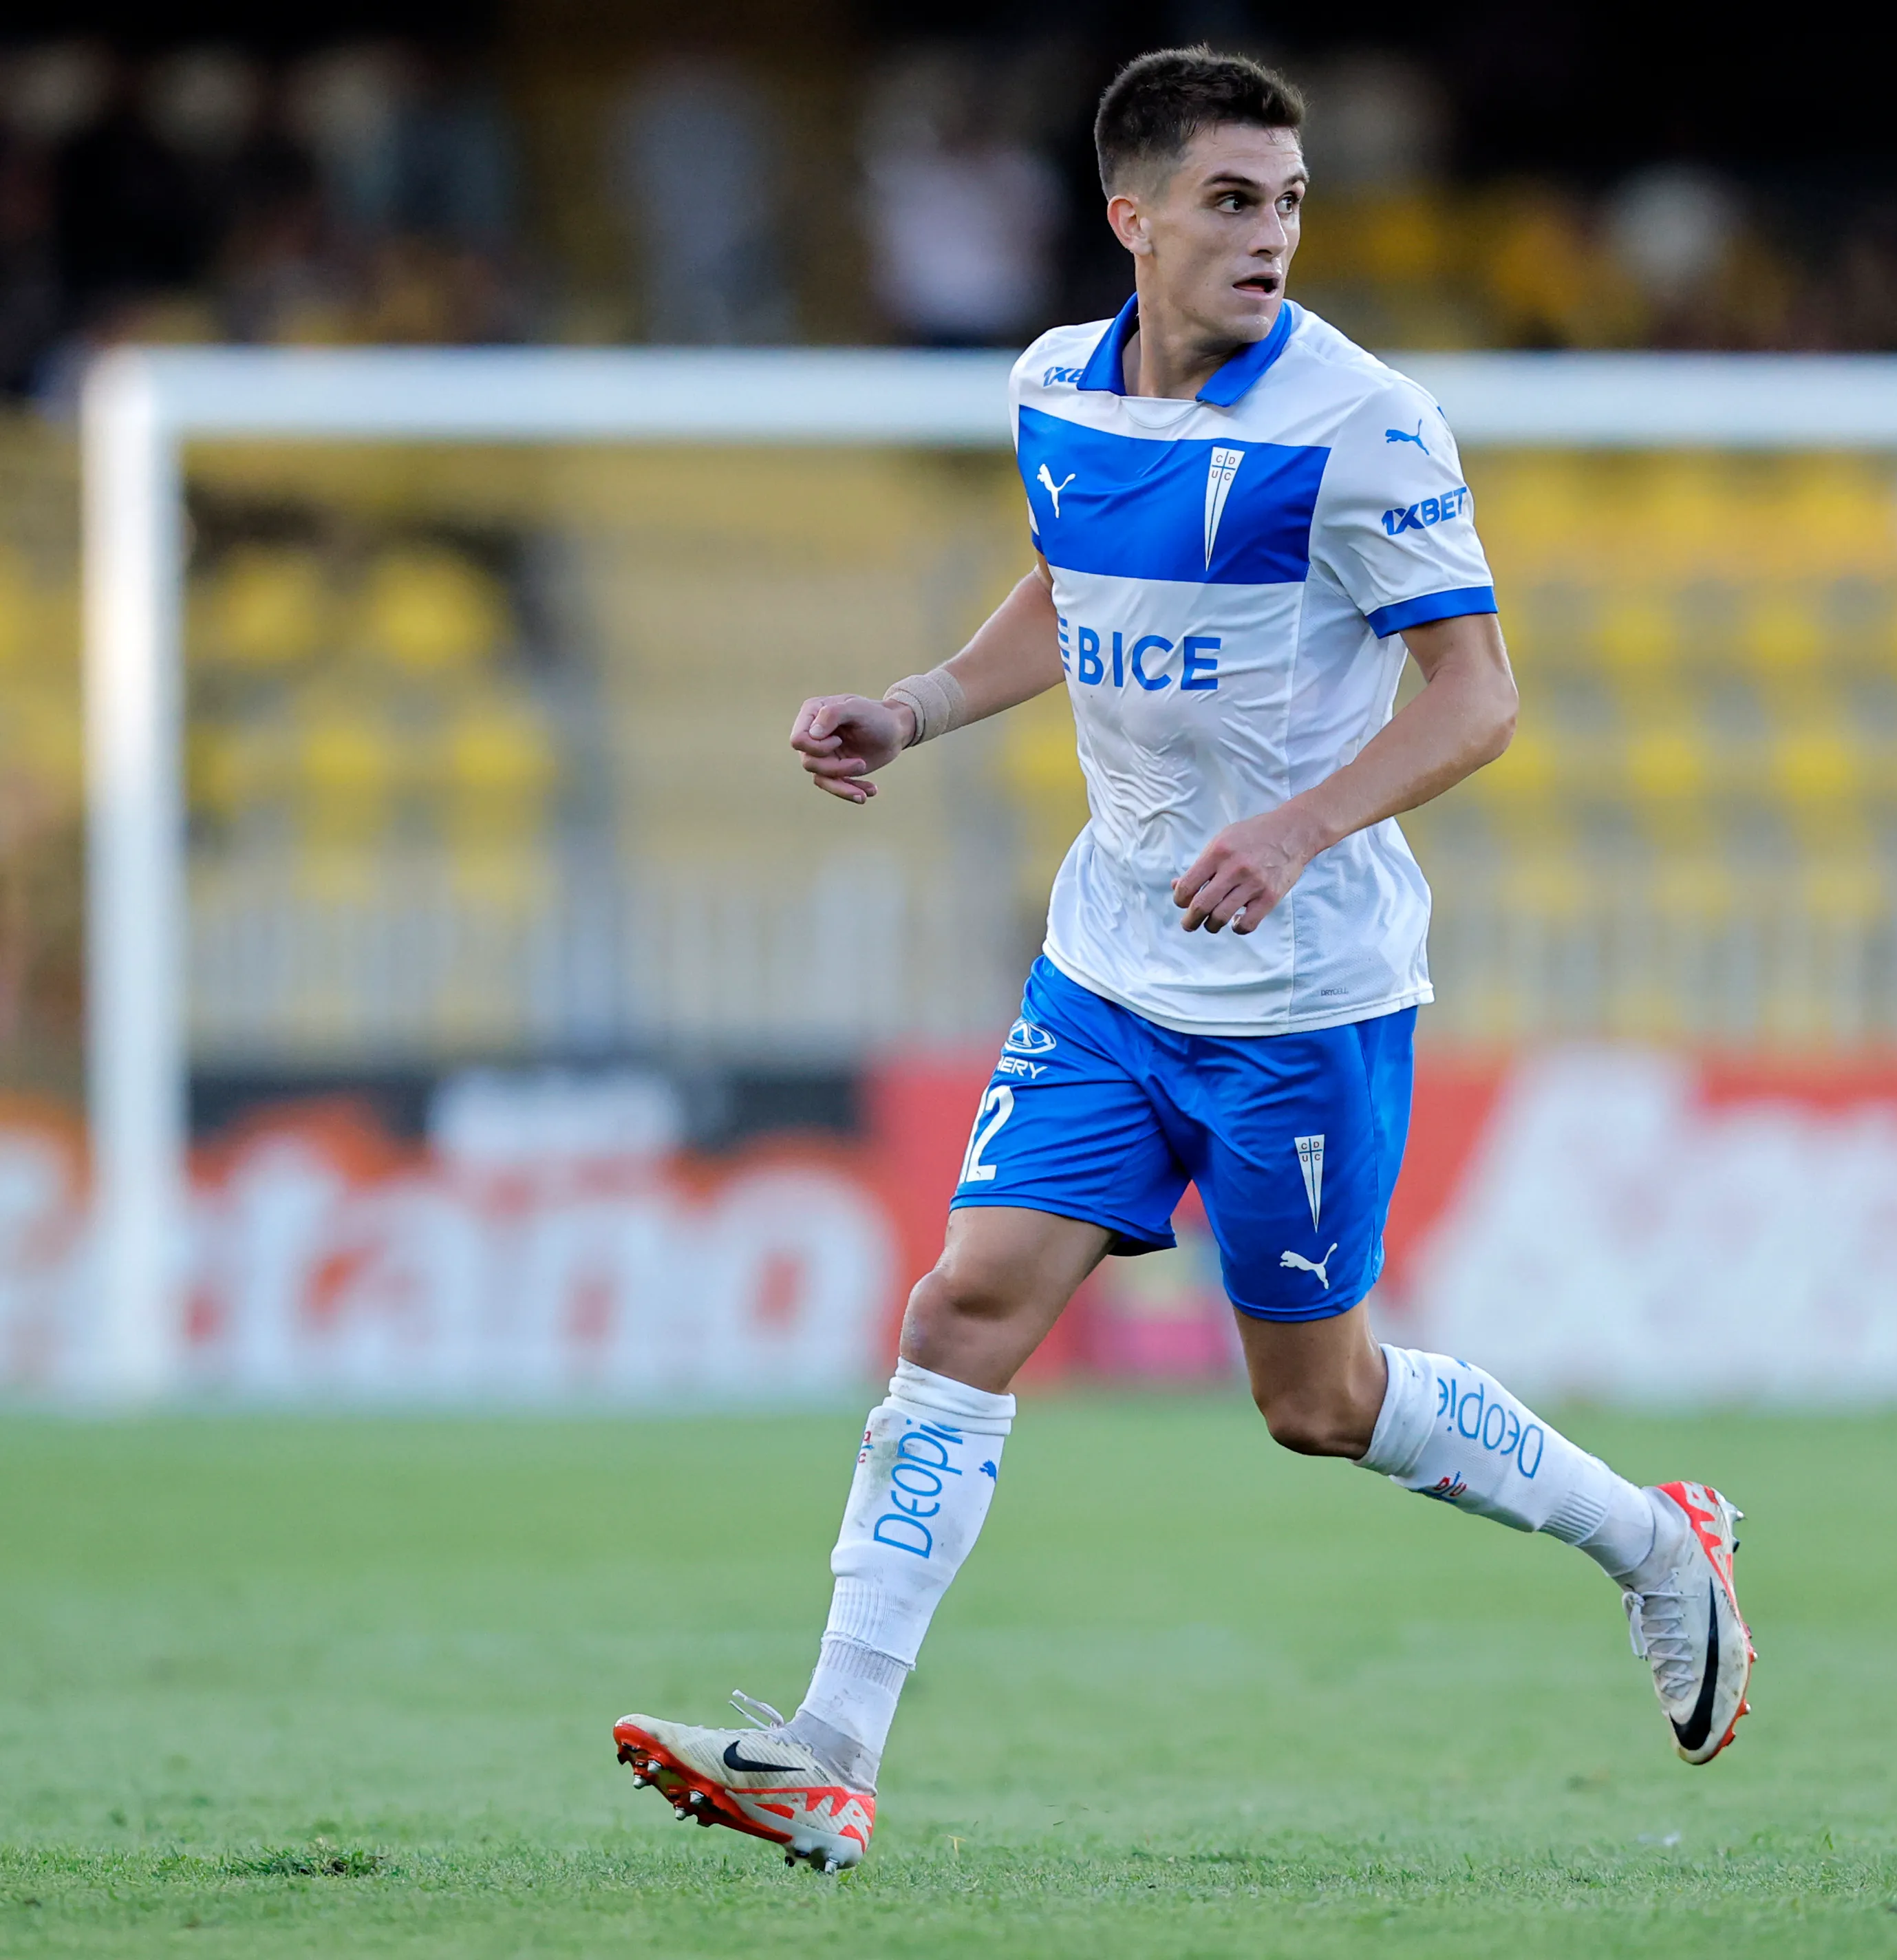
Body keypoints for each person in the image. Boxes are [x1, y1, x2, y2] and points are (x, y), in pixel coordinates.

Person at [612, 46, 1753, 1873]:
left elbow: (1478, 695)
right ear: (1129, 215)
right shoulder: (1054, 385)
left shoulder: (1361, 422)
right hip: (1110, 964)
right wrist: (915, 708)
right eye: (1231, 201)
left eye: (1288, 202)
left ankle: (1650, 1539)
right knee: (962, 1313)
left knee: (1321, 1403)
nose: (1269, 235)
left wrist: (1297, 829)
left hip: (1304, 997)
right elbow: (1069, 586)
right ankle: (828, 1750)